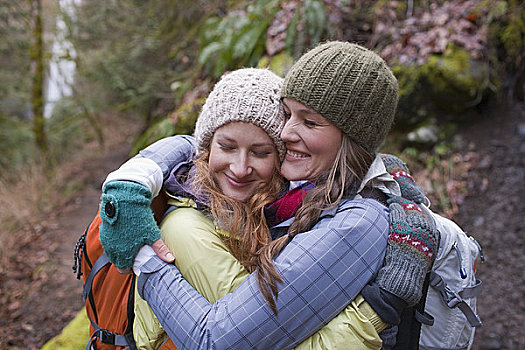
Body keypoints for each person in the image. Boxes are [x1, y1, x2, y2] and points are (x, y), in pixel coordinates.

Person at [100, 42, 439, 349]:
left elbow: (218, 342)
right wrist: (138, 174)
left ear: (352, 136)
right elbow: (203, 142)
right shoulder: (291, 195)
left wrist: (143, 256)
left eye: (309, 122)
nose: (287, 132)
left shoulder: (355, 221)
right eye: (288, 114)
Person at [132, 68, 389, 350]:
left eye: (260, 152)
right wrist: (373, 313)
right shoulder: (186, 229)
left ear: (282, 159)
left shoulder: (272, 213)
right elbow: (243, 341)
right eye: (227, 147)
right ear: (207, 148)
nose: (240, 169)